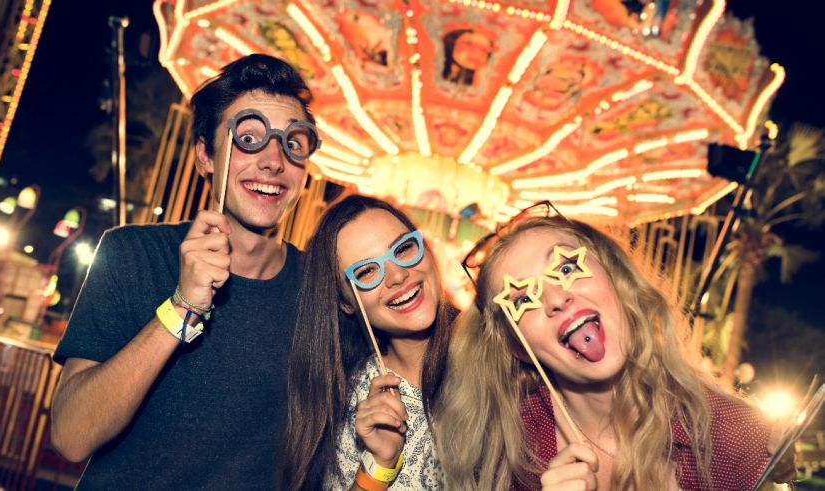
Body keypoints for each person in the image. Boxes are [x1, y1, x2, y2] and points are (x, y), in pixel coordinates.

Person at [50, 54, 319, 489]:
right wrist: (183, 306)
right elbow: (71, 436)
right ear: (205, 157)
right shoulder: (131, 254)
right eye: (249, 138)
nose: (274, 160)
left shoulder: (321, 291)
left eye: (293, 143)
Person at [435, 214, 775, 490]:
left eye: (567, 268)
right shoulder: (503, 455)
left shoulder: (732, 436)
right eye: (523, 300)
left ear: (617, 279)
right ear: (516, 347)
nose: (555, 298)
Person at [279, 195, 454, 489]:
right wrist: (380, 464)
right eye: (366, 271)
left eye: (403, 248)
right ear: (346, 303)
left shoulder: (501, 355)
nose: (397, 275)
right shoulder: (354, 399)